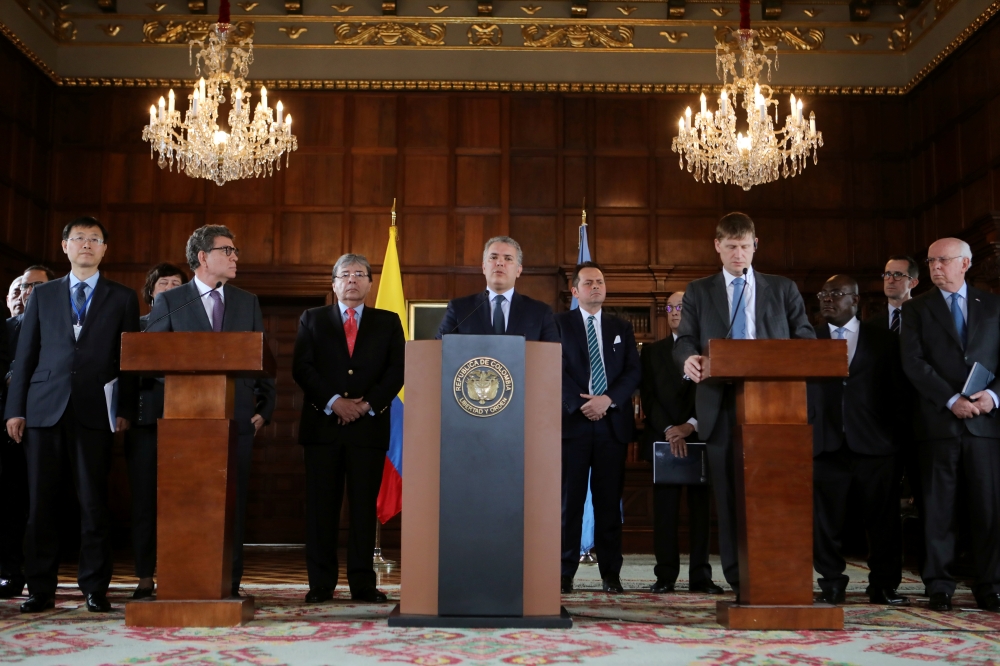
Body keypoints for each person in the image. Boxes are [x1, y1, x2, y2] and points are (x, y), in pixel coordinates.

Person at [673, 212, 814, 601]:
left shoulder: (782, 288)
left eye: (745, 246)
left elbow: (804, 337)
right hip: (720, 406)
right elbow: (684, 339)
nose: (739, 253)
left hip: (775, 407)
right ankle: (740, 580)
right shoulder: (699, 291)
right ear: (717, 246)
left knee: (777, 491)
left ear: (756, 246)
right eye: (731, 246)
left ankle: (782, 574)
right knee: (730, 496)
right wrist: (688, 359)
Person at [4, 217, 140, 613]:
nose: (86, 244)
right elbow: (26, 354)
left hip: (96, 410)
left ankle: (95, 587)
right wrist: (16, 409)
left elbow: (128, 361)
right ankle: (40, 588)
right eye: (78, 238)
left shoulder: (123, 297)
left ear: (104, 249)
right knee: (40, 504)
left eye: (94, 239)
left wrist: (126, 410)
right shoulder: (43, 295)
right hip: (44, 409)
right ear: (65, 246)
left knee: (94, 503)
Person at [146, 225, 276, 597]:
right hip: (185, 423)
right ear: (203, 257)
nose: (236, 257)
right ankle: (183, 580)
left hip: (236, 422)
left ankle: (229, 583)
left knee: (231, 505)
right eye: (228, 250)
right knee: (186, 503)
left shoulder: (246, 301)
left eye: (235, 251)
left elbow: (261, 360)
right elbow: (153, 359)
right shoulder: (173, 301)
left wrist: (263, 411)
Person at [292, 254, 404, 604]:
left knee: (362, 509)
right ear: (334, 283)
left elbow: (397, 370)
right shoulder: (312, 319)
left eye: (360, 274)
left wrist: (365, 404)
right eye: (345, 274)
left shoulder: (388, 321)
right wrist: (334, 402)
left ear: (370, 283)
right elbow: (302, 367)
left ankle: (362, 584)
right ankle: (321, 583)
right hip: (323, 428)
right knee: (321, 509)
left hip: (368, 430)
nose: (352, 280)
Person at [900, 237, 1000, 613]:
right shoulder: (917, 310)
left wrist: (992, 397)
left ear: (966, 263)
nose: (936, 267)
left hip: (986, 425)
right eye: (930, 262)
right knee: (937, 509)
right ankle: (938, 585)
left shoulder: (993, 306)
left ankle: (990, 585)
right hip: (938, 424)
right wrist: (951, 400)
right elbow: (913, 363)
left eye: (943, 260)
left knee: (988, 510)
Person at [809, 275, 908, 606]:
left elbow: (898, 393)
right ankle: (831, 582)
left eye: (837, 293)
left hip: (876, 446)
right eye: (824, 293)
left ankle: (883, 585)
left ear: (856, 301)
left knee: (882, 521)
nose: (828, 299)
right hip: (825, 443)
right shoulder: (809, 340)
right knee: (825, 521)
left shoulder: (884, 340)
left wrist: (894, 438)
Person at [556, 262, 641, 594]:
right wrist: (581, 404)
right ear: (574, 291)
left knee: (609, 504)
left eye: (600, 282)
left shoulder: (621, 326)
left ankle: (610, 573)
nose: (596, 287)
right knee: (569, 503)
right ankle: (564, 572)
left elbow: (633, 371)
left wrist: (607, 400)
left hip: (611, 426)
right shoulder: (558, 324)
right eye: (588, 282)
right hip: (572, 425)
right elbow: (552, 369)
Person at [639, 289, 723, 595]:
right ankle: (665, 576)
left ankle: (701, 576)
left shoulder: (709, 350)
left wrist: (689, 426)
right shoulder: (651, 351)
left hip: (701, 437)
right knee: (665, 513)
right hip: (663, 440)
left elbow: (713, 393)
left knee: (701, 513)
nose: (676, 311)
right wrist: (670, 429)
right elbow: (647, 396)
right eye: (671, 306)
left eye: (682, 306)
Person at [124, 263, 188, 599]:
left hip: (191, 425)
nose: (170, 288)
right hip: (145, 424)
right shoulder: (138, 328)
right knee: (146, 504)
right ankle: (145, 576)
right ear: (151, 291)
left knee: (185, 504)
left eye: (177, 284)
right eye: (164, 283)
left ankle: (182, 572)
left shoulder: (196, 330)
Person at [867, 255, 925, 586]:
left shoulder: (929, 319)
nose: (890, 279)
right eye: (886, 273)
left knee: (930, 504)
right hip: (881, 430)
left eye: (898, 274)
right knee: (883, 507)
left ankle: (934, 579)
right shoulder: (872, 326)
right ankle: (885, 579)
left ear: (913, 281)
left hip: (924, 426)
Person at [436, 236, 559, 342]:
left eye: (508, 258)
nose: (499, 263)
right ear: (484, 267)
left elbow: (552, 357)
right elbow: (438, 349)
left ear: (519, 270)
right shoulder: (459, 309)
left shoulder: (539, 312)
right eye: (493, 257)